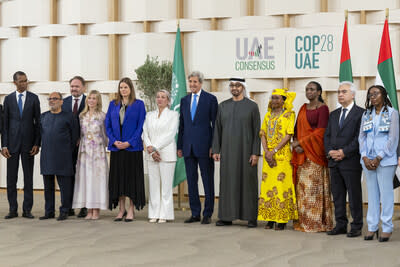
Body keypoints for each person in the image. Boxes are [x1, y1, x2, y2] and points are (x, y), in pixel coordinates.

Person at [212, 77, 260, 228]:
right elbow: (217, 130)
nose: (234, 88)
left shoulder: (252, 107)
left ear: (243, 87)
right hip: (227, 151)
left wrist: (255, 153)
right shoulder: (223, 106)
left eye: (237, 85)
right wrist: (216, 149)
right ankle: (226, 216)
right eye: (232, 85)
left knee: (248, 183)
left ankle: (251, 217)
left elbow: (257, 131)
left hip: (246, 152)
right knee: (228, 183)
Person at [324, 81, 364, 238]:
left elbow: (360, 138)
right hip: (334, 161)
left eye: (344, 91)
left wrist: (344, 152)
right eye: (339, 92)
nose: (340, 94)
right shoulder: (333, 114)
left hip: (351, 161)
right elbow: (327, 136)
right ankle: (340, 225)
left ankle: (356, 225)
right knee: (338, 195)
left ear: (353, 94)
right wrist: (330, 152)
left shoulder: (361, 113)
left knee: (354, 195)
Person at [291, 81, 333, 232]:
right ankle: (303, 221)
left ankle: (316, 222)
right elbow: (296, 130)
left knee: (314, 189)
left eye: (312, 89)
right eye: (307, 89)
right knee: (302, 189)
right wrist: (296, 144)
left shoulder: (323, 109)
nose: (309, 92)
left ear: (319, 92)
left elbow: (321, 132)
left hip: (315, 154)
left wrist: (301, 143)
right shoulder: (303, 108)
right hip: (301, 155)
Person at [177, 71, 218, 224]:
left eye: (195, 82)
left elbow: (215, 126)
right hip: (188, 147)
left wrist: (214, 147)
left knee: (207, 181)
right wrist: (180, 146)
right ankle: (195, 213)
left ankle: (207, 213)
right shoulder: (185, 100)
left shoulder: (210, 99)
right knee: (191, 181)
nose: (192, 84)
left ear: (201, 83)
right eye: (190, 82)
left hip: (205, 147)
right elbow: (182, 125)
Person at [359, 85, 399, 242]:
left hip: (386, 160)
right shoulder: (366, 114)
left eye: (376, 94)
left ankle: (387, 227)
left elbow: (393, 138)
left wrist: (379, 157)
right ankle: (372, 226)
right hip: (367, 161)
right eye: (370, 95)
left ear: (383, 95)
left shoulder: (392, 113)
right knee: (372, 195)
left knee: (386, 194)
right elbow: (361, 137)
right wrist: (364, 157)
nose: (372, 97)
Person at [105, 77, 146, 222]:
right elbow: (107, 125)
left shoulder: (139, 104)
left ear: (131, 89)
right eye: (121, 87)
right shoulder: (113, 104)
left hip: (132, 149)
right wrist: (114, 141)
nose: (123, 90)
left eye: (125, 87)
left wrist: (129, 142)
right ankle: (121, 210)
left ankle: (131, 210)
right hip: (117, 148)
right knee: (119, 180)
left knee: (131, 181)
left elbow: (141, 126)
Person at [1, 71, 41, 219]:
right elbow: (4, 125)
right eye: (21, 81)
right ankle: (12, 209)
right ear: (15, 83)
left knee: (28, 178)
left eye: (26, 81)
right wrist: (4, 145)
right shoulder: (8, 99)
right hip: (11, 145)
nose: (24, 83)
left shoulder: (34, 98)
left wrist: (37, 143)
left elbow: (38, 123)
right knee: (11, 178)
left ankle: (27, 210)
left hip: (29, 145)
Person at [257, 88, 298, 230]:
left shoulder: (289, 115)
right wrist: (267, 152)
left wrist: (274, 151)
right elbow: (262, 134)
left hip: (282, 157)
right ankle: (270, 218)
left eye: (277, 98)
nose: (273, 101)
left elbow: (288, 135)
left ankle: (282, 220)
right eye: (272, 98)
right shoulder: (268, 115)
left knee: (282, 188)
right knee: (267, 187)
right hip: (268, 157)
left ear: (283, 100)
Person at [39, 92, 79, 221]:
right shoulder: (43, 116)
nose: (52, 101)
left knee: (65, 186)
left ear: (61, 101)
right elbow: (40, 135)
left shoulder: (69, 117)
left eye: (55, 99)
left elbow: (75, 137)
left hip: (64, 157)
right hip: (47, 156)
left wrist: (68, 151)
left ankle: (65, 210)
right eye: (50, 99)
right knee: (48, 186)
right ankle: (49, 211)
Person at [143, 90, 179, 223]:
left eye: (163, 97)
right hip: (151, 155)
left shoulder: (174, 115)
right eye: (158, 97)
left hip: (167, 155)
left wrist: (155, 147)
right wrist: (151, 150)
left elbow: (170, 134)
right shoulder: (149, 115)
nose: (159, 99)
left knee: (166, 186)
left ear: (168, 100)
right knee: (154, 185)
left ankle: (165, 214)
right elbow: (145, 133)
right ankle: (154, 213)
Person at [72, 90, 108, 220]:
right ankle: (89, 209)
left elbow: (105, 135)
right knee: (86, 179)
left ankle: (96, 209)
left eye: (94, 98)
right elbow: (79, 134)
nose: (91, 100)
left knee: (97, 180)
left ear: (98, 100)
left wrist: (102, 145)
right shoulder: (82, 116)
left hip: (98, 152)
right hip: (85, 152)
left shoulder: (102, 116)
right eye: (90, 98)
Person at [62, 76, 87, 218]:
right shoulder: (64, 102)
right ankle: (69, 206)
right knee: (68, 176)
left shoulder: (89, 101)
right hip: (67, 147)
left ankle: (84, 206)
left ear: (83, 87)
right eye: (72, 86)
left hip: (85, 146)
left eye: (77, 86)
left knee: (83, 176)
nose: (74, 89)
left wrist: (81, 138)